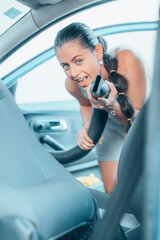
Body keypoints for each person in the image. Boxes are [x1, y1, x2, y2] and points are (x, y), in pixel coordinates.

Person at [54, 22, 146, 194]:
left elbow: (136, 122)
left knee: (143, 190)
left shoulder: (127, 60)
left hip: (142, 124)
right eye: (65, 66)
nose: (73, 73)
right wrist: (87, 124)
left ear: (97, 52)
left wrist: (111, 106)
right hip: (110, 127)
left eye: (78, 61)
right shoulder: (72, 84)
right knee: (113, 193)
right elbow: (84, 103)